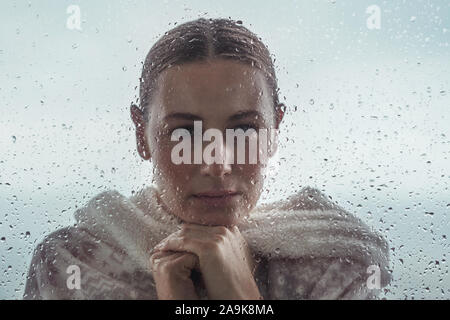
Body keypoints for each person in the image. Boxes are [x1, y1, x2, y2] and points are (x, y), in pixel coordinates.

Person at [23, 17, 392, 300]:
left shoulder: (337, 261)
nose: (218, 164)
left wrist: (241, 296)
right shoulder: (72, 264)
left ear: (274, 132)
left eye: (244, 131)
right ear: (142, 134)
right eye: (186, 133)